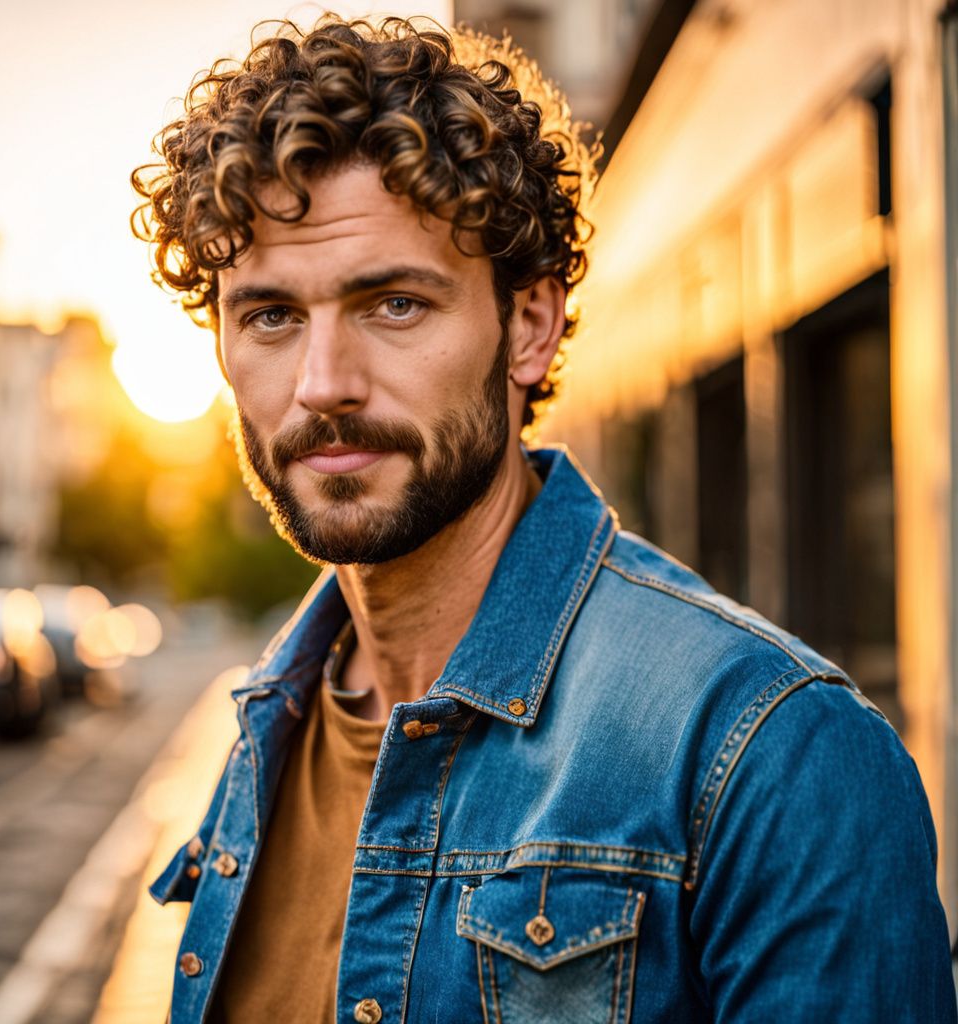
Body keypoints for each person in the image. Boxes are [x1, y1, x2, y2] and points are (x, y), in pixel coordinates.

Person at [132, 16, 955, 1024]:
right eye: (270, 315)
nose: (322, 385)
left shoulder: (775, 753)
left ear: (528, 324)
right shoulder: (271, 724)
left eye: (393, 304)